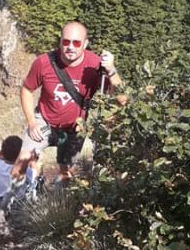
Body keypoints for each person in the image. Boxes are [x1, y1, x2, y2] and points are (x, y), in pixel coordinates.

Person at [12, 20, 125, 182]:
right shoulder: (44, 62)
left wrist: (111, 70)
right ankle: (7, 200)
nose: (70, 47)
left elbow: (122, 100)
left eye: (76, 42)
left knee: (66, 171)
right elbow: (27, 90)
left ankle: (56, 202)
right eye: (66, 42)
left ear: (85, 44)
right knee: (23, 158)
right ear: (60, 42)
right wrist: (31, 122)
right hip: (45, 121)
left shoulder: (94, 65)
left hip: (74, 127)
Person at [0, 135, 38, 211]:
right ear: (20, 155)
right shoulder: (25, 170)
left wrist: (4, 153)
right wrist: (32, 161)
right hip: (16, 202)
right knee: (33, 183)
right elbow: (36, 174)